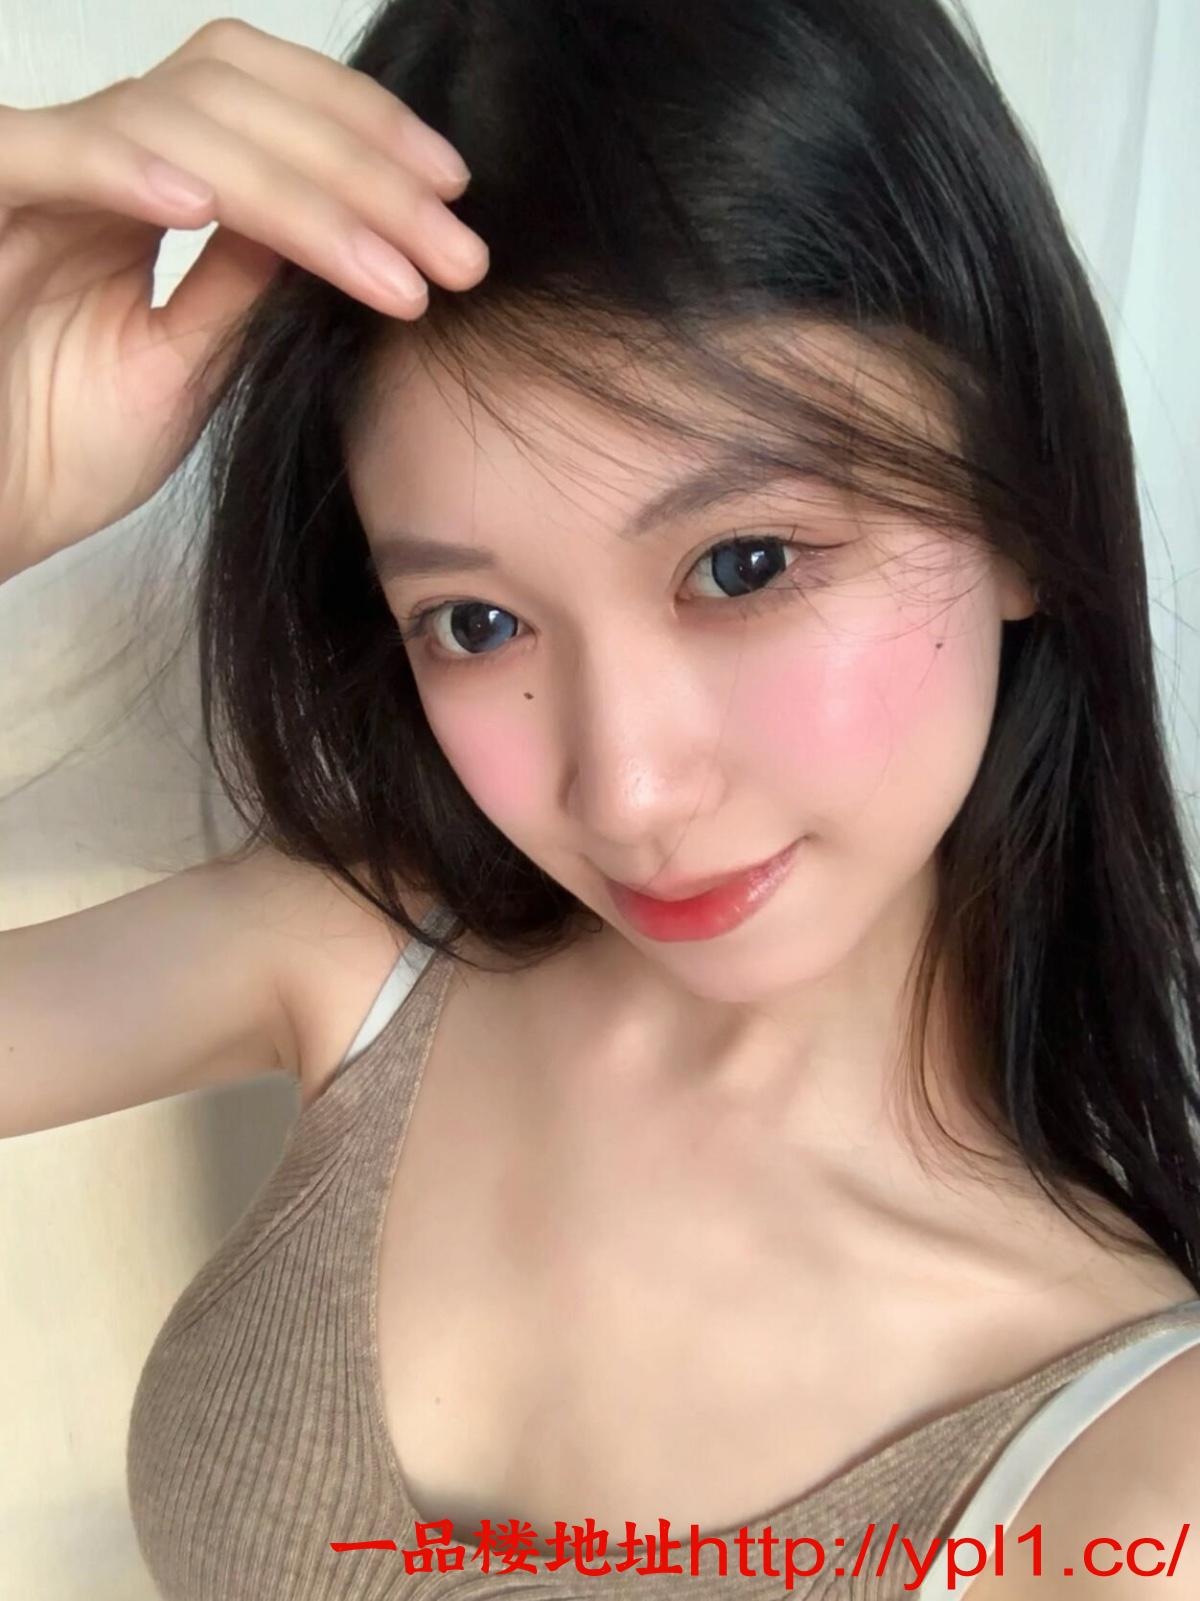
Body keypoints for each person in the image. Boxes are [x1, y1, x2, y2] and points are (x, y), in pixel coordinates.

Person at [1, 3, 1198, 1597]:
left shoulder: (1132, 1476)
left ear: (1025, 507)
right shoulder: (367, 954)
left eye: (745, 564)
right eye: (476, 621)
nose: (625, 788)